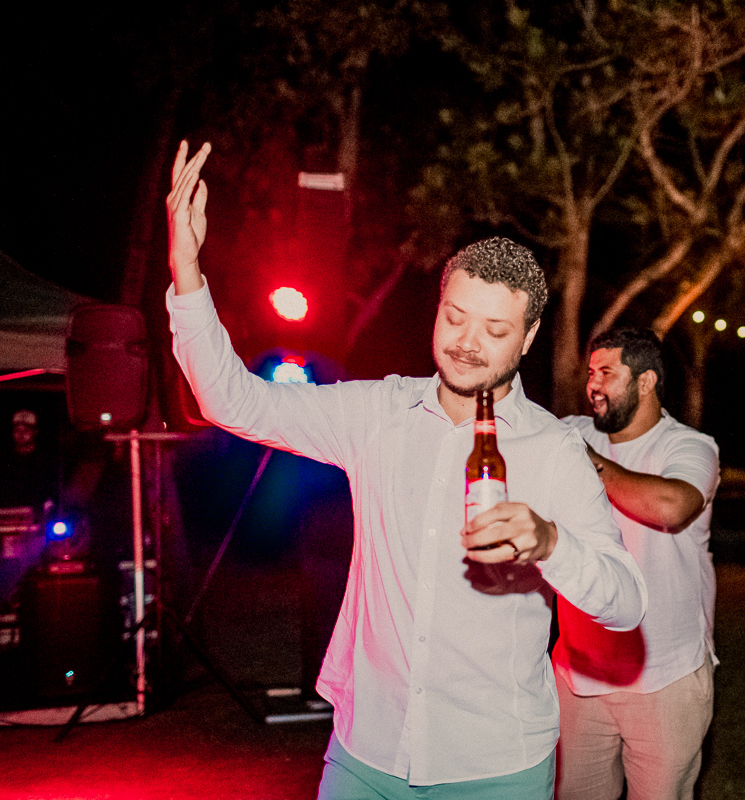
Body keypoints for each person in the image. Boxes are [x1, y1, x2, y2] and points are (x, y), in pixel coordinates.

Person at [165, 141, 646, 799]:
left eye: (495, 330)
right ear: (439, 305)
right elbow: (234, 401)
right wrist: (187, 270)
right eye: (456, 316)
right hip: (367, 750)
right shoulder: (378, 412)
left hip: (493, 766)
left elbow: (624, 601)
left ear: (529, 338)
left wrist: (552, 543)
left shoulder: (554, 449)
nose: (469, 342)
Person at [552, 328, 720, 800]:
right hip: (578, 673)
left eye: (607, 372)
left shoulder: (689, 446)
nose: (593, 385)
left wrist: (588, 461)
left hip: (666, 678)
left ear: (646, 382)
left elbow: (671, 507)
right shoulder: (570, 432)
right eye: (590, 373)